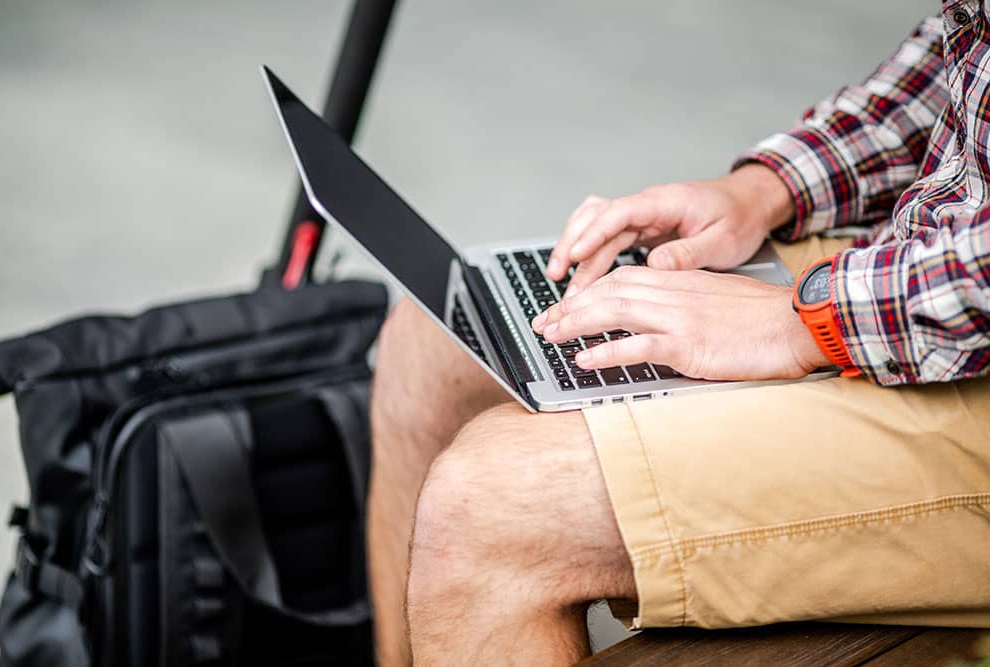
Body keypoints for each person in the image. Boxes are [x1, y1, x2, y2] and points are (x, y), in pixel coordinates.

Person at [367, 9, 990, 666]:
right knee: (435, 339)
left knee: (490, 501)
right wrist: (763, 189)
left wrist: (799, 321)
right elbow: (957, 61)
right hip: (928, 258)